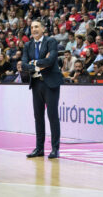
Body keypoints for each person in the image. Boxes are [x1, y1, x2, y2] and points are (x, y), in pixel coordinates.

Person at [22, 20, 64, 159]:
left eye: (37, 27)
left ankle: (55, 149)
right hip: (36, 84)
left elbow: (51, 60)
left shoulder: (50, 41)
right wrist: (39, 64)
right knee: (38, 118)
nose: (34, 29)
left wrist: (33, 63)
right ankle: (39, 149)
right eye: (32, 27)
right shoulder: (28, 45)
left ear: (42, 28)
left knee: (52, 116)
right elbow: (23, 64)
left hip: (50, 83)